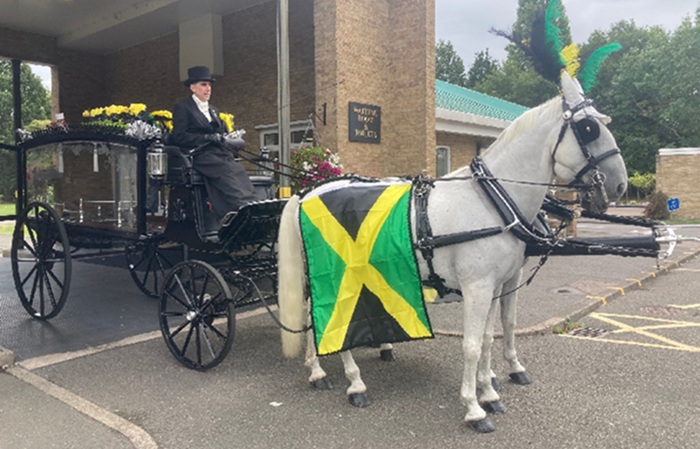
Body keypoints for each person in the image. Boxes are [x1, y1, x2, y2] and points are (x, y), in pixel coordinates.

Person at [171, 65, 257, 222]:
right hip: (198, 153)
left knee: (237, 168)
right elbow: (179, 136)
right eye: (204, 84)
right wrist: (208, 138)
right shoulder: (183, 108)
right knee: (226, 169)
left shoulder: (214, 110)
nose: (208, 88)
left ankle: (251, 204)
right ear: (192, 87)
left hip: (217, 152)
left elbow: (220, 132)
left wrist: (229, 140)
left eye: (209, 85)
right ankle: (241, 207)